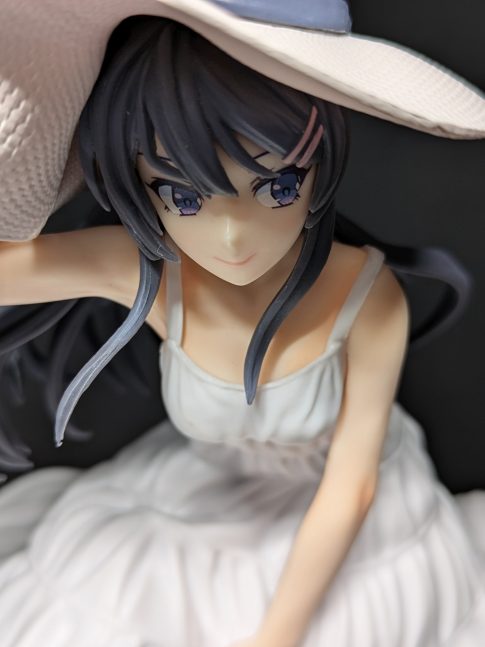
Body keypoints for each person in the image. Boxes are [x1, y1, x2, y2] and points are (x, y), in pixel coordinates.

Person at [0, 3, 485, 646]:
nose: (231, 236)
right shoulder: (147, 271)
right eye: (183, 196)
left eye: (278, 186)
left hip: (348, 523)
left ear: (321, 166)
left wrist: (274, 637)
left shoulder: (368, 297)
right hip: (204, 501)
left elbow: (352, 487)